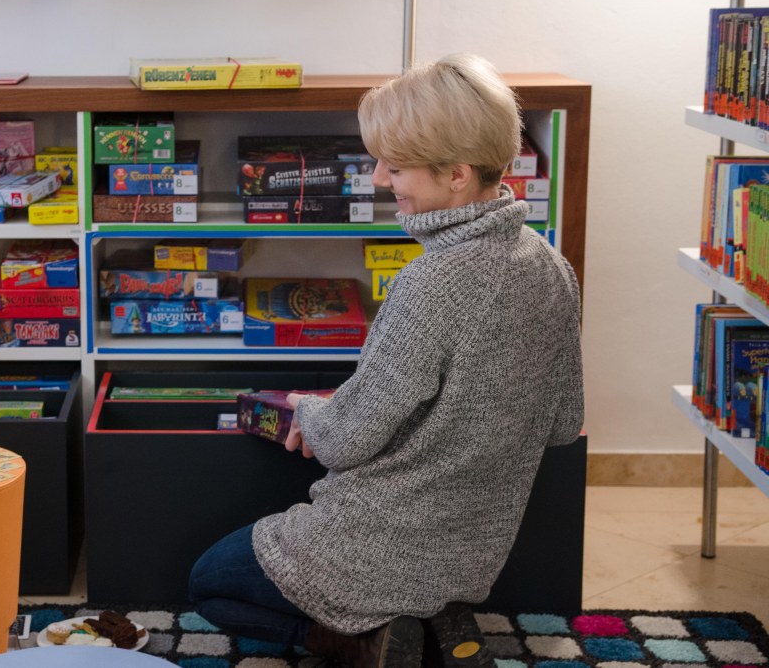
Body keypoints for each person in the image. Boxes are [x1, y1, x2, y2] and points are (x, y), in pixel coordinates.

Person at [188, 53, 585, 668]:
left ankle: (362, 640)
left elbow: (345, 443)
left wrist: (307, 412)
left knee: (209, 582)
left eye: (395, 167)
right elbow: (563, 424)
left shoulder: (431, 282)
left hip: (382, 542)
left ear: (456, 175)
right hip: (475, 554)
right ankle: (427, 619)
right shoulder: (551, 266)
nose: (377, 179)